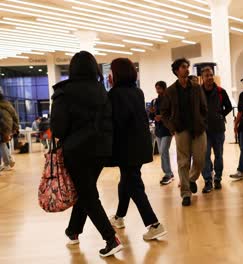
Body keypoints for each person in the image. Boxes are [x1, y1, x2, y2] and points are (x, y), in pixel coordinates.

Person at [50, 51, 122, 257]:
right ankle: (73, 231)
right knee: (86, 190)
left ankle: (111, 238)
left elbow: (58, 128)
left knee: (88, 194)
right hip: (101, 149)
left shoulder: (64, 93)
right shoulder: (102, 91)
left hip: (76, 150)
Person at [107, 58, 167, 241]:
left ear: (116, 74)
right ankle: (119, 217)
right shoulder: (137, 92)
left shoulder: (114, 95)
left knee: (133, 185)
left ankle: (154, 224)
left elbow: (117, 123)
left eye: (111, 71)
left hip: (125, 148)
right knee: (126, 181)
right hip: (139, 146)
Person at [160, 58, 208, 207]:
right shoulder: (170, 91)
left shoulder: (196, 87)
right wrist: (172, 128)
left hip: (198, 129)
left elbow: (204, 108)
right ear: (176, 71)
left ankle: (192, 179)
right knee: (183, 162)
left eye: (187, 67)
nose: (187, 69)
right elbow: (164, 112)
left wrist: (202, 121)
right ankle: (186, 193)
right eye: (183, 67)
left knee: (200, 160)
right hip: (181, 130)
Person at [200, 66, 233, 193]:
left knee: (218, 155)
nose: (209, 77)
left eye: (211, 75)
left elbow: (229, 107)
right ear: (202, 78)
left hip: (218, 129)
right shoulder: (198, 92)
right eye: (207, 75)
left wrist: (221, 115)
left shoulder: (220, 91)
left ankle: (218, 178)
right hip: (203, 130)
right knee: (205, 156)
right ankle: (208, 180)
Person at [149, 81, 175, 185]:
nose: (157, 90)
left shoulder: (169, 100)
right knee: (161, 152)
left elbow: (172, 114)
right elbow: (151, 117)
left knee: (164, 150)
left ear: (164, 88)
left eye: (159, 88)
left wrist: (162, 117)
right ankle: (169, 173)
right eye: (156, 88)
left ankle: (168, 174)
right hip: (158, 130)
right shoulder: (154, 101)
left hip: (167, 130)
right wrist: (151, 113)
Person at [0, 87, 18, 170]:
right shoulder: (7, 104)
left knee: (2, 143)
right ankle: (9, 160)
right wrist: (15, 127)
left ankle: (7, 163)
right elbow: (15, 115)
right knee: (3, 143)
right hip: (8, 126)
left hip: (3, 126)